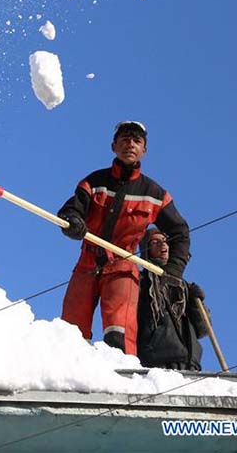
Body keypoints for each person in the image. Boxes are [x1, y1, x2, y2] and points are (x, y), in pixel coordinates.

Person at [57, 121, 190, 355]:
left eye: (137, 141)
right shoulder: (93, 182)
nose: (130, 144)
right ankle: (68, 371)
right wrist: (74, 222)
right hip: (87, 263)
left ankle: (121, 375)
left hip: (123, 266)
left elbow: (180, 231)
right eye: (125, 140)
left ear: (144, 151)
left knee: (118, 330)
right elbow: (71, 210)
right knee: (70, 330)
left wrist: (174, 269)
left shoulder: (155, 194)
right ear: (113, 146)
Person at [138, 227, 208, 370]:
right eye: (155, 242)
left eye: (164, 241)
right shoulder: (142, 282)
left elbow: (204, 329)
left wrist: (196, 302)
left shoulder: (183, 288)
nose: (162, 245)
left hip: (190, 364)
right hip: (157, 362)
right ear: (146, 250)